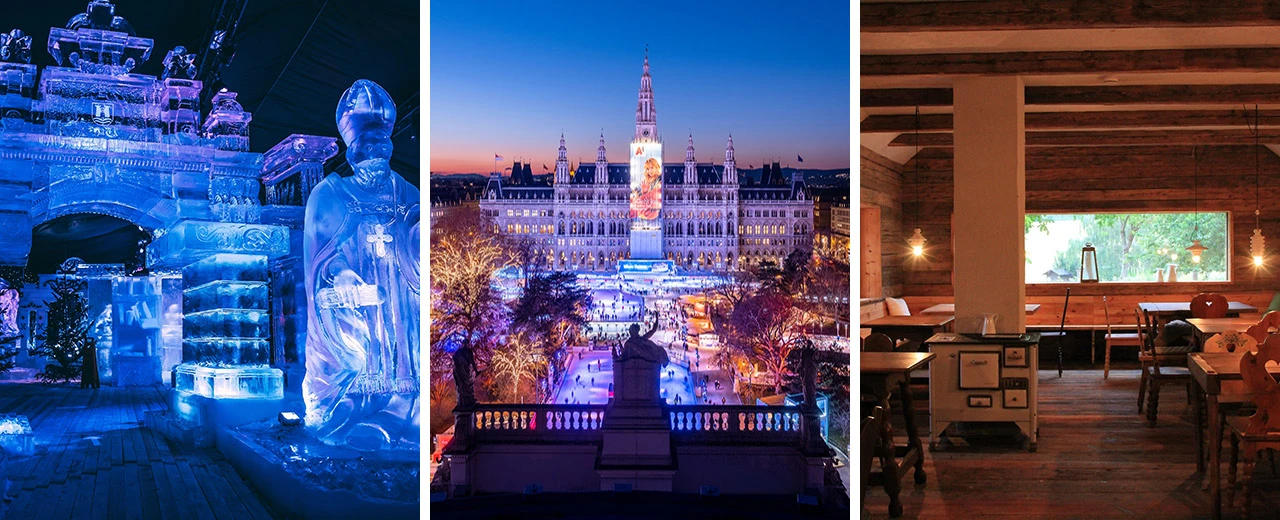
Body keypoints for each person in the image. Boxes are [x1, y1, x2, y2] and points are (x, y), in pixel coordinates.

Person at [304, 80, 420, 451]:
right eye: (366, 146)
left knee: (402, 357)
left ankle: (401, 408)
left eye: (381, 144)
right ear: (352, 150)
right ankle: (353, 405)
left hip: (398, 303)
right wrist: (341, 274)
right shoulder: (331, 194)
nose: (374, 153)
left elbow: (420, 244)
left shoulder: (407, 193)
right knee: (360, 356)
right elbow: (321, 254)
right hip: (359, 304)